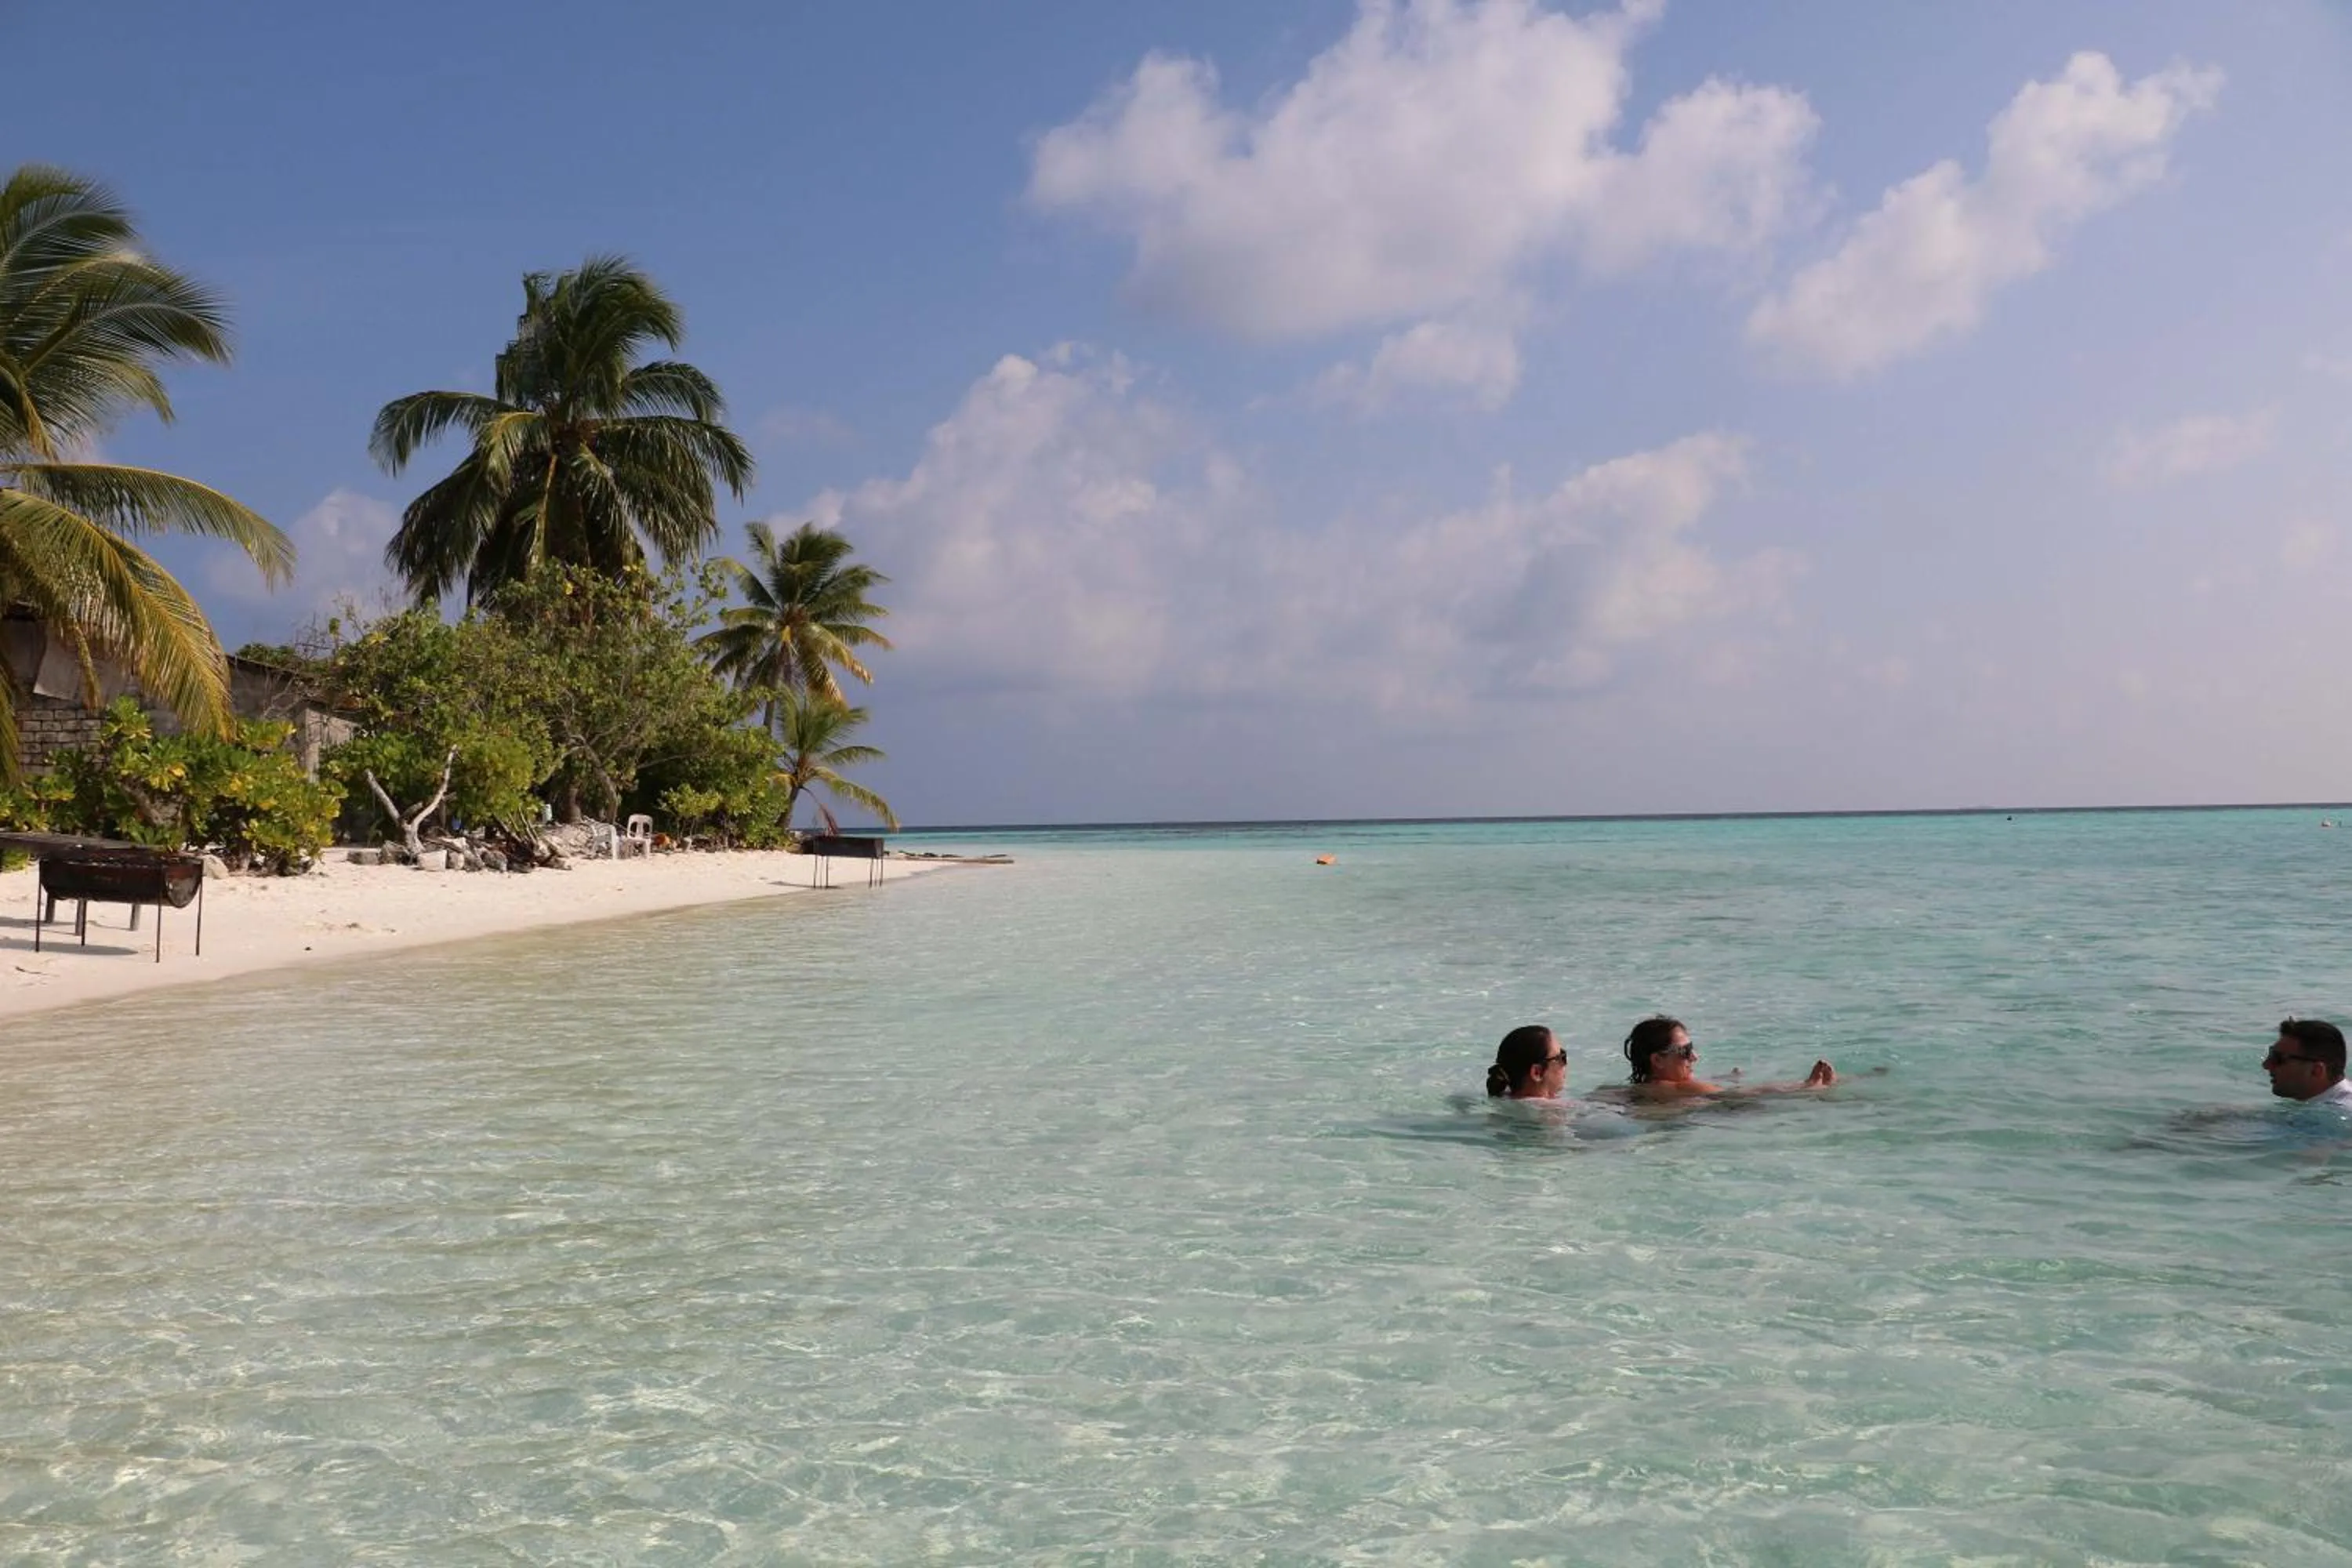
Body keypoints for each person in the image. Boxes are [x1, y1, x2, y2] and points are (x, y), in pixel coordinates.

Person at [1619, 1014, 1835, 1099]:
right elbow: (1750, 1094)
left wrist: (1723, 1078)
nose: (1695, 1057)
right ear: (1657, 1060)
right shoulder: (1684, 1089)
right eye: (1685, 1052)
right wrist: (1807, 1086)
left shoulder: (1634, 1090)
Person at [2262, 1017, 2352, 1106]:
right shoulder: (2322, 1102)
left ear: (2317, 1070)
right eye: (2272, 1054)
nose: (2266, 1065)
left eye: (2278, 1058)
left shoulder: (2341, 1110)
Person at [1486, 1024, 1569, 1101]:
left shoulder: (1502, 1098)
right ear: (1537, 1072)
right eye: (1561, 1058)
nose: (1565, 1064)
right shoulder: (1553, 1111)